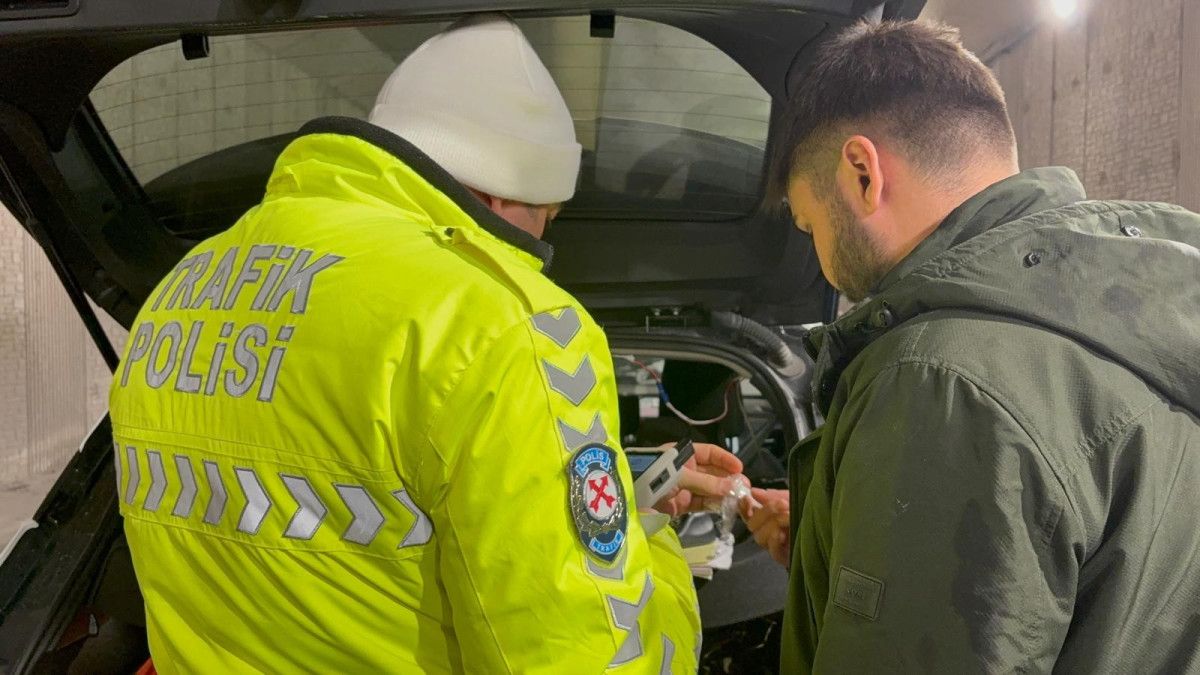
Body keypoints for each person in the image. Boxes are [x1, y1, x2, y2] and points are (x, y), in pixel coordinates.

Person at [109, 15, 743, 673]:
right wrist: (655, 543)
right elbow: (588, 657)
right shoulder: (502, 322)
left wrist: (616, 496)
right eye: (546, 216)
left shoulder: (185, 287)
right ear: (502, 192)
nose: (542, 246)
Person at [743, 19, 1200, 673]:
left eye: (809, 223)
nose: (819, 257)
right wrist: (845, 540)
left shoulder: (938, 381)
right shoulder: (1144, 311)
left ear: (862, 173)